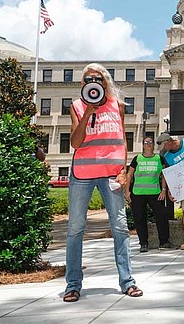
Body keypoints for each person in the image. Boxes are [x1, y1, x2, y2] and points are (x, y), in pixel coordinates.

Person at [64, 63, 141, 302]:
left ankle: (127, 281)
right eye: (88, 79)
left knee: (120, 227)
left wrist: (124, 170)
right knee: (76, 228)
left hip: (111, 173)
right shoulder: (76, 106)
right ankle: (73, 284)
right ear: (83, 84)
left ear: (105, 81)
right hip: (83, 174)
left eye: (97, 78)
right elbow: (75, 143)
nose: (93, 82)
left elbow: (122, 140)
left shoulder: (117, 106)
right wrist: (88, 111)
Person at [125, 137, 171, 252]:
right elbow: (129, 175)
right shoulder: (137, 159)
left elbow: (164, 174)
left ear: (153, 145)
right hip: (138, 194)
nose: (148, 144)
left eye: (150, 142)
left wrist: (164, 189)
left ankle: (164, 242)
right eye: (146, 142)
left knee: (162, 216)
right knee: (139, 218)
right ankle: (143, 243)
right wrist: (127, 191)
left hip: (155, 193)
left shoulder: (159, 158)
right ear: (143, 145)